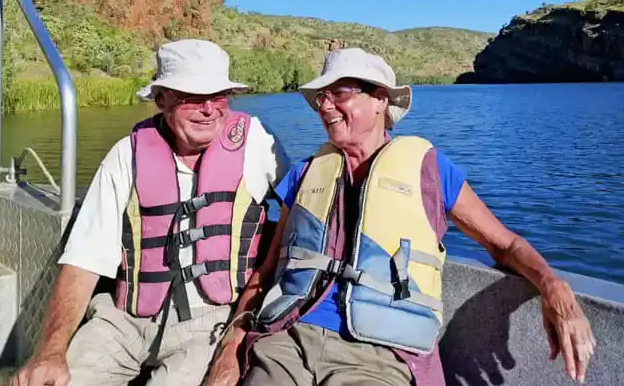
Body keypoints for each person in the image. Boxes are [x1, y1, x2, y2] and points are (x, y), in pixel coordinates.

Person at [204, 47, 597, 386]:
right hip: (286, 342)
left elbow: (505, 243)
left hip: (377, 356)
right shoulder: (305, 175)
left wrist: (553, 286)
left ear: (380, 100)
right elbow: (269, 271)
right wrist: (231, 346)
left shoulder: (430, 172)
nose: (324, 105)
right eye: (321, 96)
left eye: (339, 93)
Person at [12, 39, 289, 386]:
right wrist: (50, 351)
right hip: (123, 320)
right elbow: (84, 259)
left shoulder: (258, 143)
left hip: (211, 322)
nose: (209, 109)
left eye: (218, 96)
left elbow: (299, 209)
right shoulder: (125, 155)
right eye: (192, 97)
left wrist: (243, 329)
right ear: (161, 100)